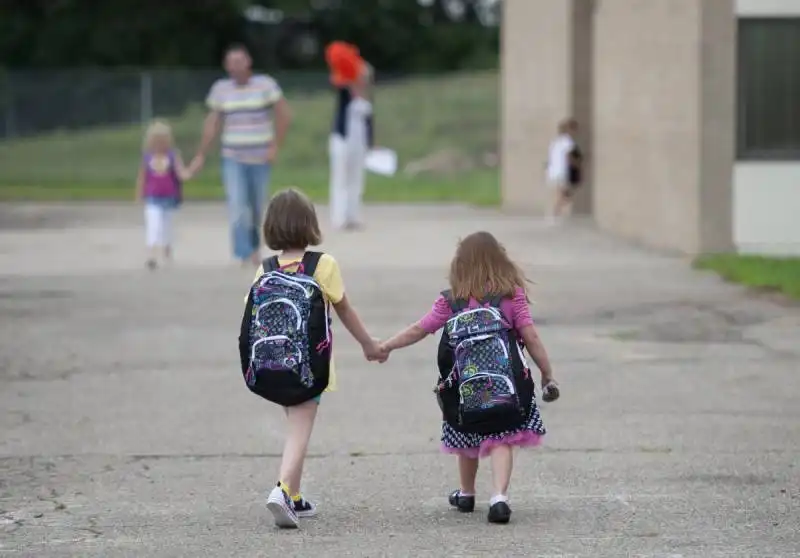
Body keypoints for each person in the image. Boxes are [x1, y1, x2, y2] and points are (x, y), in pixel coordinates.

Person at [378, 231, 559, 524]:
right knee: (503, 437)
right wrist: (547, 373)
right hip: (506, 386)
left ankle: (467, 493)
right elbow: (531, 337)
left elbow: (419, 329)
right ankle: (499, 496)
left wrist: (385, 346)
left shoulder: (452, 301)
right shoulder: (512, 295)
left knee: (466, 436)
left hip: (465, 390)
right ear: (498, 261)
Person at [240, 187, 385, 529]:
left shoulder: (265, 268)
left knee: (296, 424)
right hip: (309, 367)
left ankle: (294, 496)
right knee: (300, 432)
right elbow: (345, 309)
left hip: (271, 364)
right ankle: (281, 491)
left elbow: (249, 315)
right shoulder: (323, 265)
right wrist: (368, 344)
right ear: (309, 225)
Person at [190, 44, 292, 266]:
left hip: (260, 158)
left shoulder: (265, 85)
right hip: (233, 157)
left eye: (238, 61)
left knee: (256, 208)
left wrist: (275, 146)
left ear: (248, 62)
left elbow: (284, 114)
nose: (234, 67)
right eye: (230, 63)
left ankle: (254, 248)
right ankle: (243, 252)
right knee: (237, 205)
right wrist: (201, 154)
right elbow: (213, 123)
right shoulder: (221, 89)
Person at [325, 41, 375, 231]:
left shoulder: (367, 97)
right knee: (341, 178)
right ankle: (339, 218)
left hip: (359, 142)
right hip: (342, 140)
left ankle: (353, 215)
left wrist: (371, 142)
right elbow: (338, 76)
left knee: (356, 178)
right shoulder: (344, 90)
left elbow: (369, 122)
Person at [135, 119, 193, 270]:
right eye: (157, 141)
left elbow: (180, 173)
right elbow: (142, 176)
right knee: (154, 225)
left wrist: (189, 172)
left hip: (169, 198)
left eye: (163, 140)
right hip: (152, 198)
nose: (160, 144)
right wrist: (139, 193)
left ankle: (167, 251)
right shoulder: (147, 157)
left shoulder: (173, 156)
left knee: (167, 227)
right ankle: (152, 254)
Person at [546, 118, 581, 223]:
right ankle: (554, 214)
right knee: (563, 194)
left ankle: (556, 214)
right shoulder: (567, 141)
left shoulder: (556, 141)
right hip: (562, 171)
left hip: (552, 170)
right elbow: (568, 156)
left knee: (560, 194)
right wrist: (576, 164)